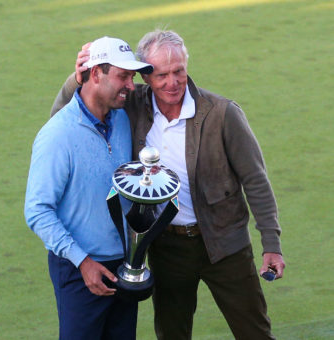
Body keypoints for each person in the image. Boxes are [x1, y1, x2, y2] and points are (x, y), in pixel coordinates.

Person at [50, 30, 286, 340]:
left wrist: (272, 244)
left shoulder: (223, 113)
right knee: (172, 334)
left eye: (179, 72)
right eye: (161, 75)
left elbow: (255, 179)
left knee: (255, 332)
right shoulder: (131, 105)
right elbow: (62, 117)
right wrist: (76, 80)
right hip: (167, 248)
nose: (172, 82)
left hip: (226, 245)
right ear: (145, 76)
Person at [25, 36, 153, 340]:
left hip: (123, 264)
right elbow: (37, 210)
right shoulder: (57, 135)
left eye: (132, 77)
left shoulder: (122, 120)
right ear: (96, 74)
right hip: (78, 267)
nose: (131, 86)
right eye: (123, 76)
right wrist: (82, 261)